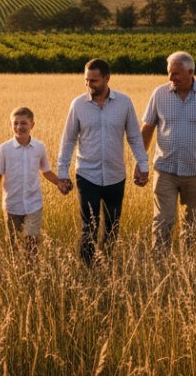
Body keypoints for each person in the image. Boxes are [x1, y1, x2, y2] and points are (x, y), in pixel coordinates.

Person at [57, 58, 150, 266]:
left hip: (116, 176)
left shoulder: (124, 103)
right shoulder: (78, 105)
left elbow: (134, 137)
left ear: (107, 78)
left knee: (112, 226)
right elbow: (68, 140)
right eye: (86, 80)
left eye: (94, 81)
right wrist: (62, 173)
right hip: (87, 175)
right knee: (88, 225)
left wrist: (143, 166)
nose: (89, 85)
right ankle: (88, 270)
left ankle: (107, 266)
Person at [141, 51, 196, 252]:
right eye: (169, 73)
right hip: (165, 171)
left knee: (192, 224)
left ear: (191, 72)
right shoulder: (159, 94)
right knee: (162, 221)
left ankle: (188, 268)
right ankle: (159, 266)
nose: (171, 78)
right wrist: (141, 162)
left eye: (176, 74)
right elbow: (147, 128)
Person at [0, 107, 64, 258]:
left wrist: (59, 183)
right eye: (15, 123)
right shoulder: (4, 149)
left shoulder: (39, 147)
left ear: (32, 124)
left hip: (33, 204)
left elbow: (46, 171)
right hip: (12, 205)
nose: (19, 127)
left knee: (32, 241)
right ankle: (17, 271)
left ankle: (32, 270)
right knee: (14, 244)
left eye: (23, 123)